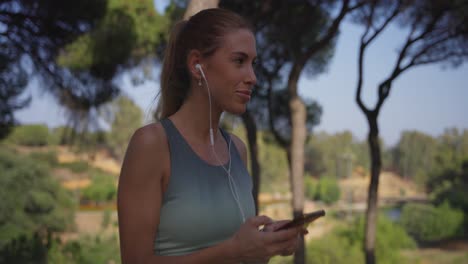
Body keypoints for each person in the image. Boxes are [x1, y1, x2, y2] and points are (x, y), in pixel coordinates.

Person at [117, 8, 306, 264]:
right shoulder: (152, 144)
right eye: (239, 61)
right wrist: (235, 250)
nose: (252, 77)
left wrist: (266, 245)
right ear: (197, 66)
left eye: (253, 64)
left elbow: (237, 252)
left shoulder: (237, 150)